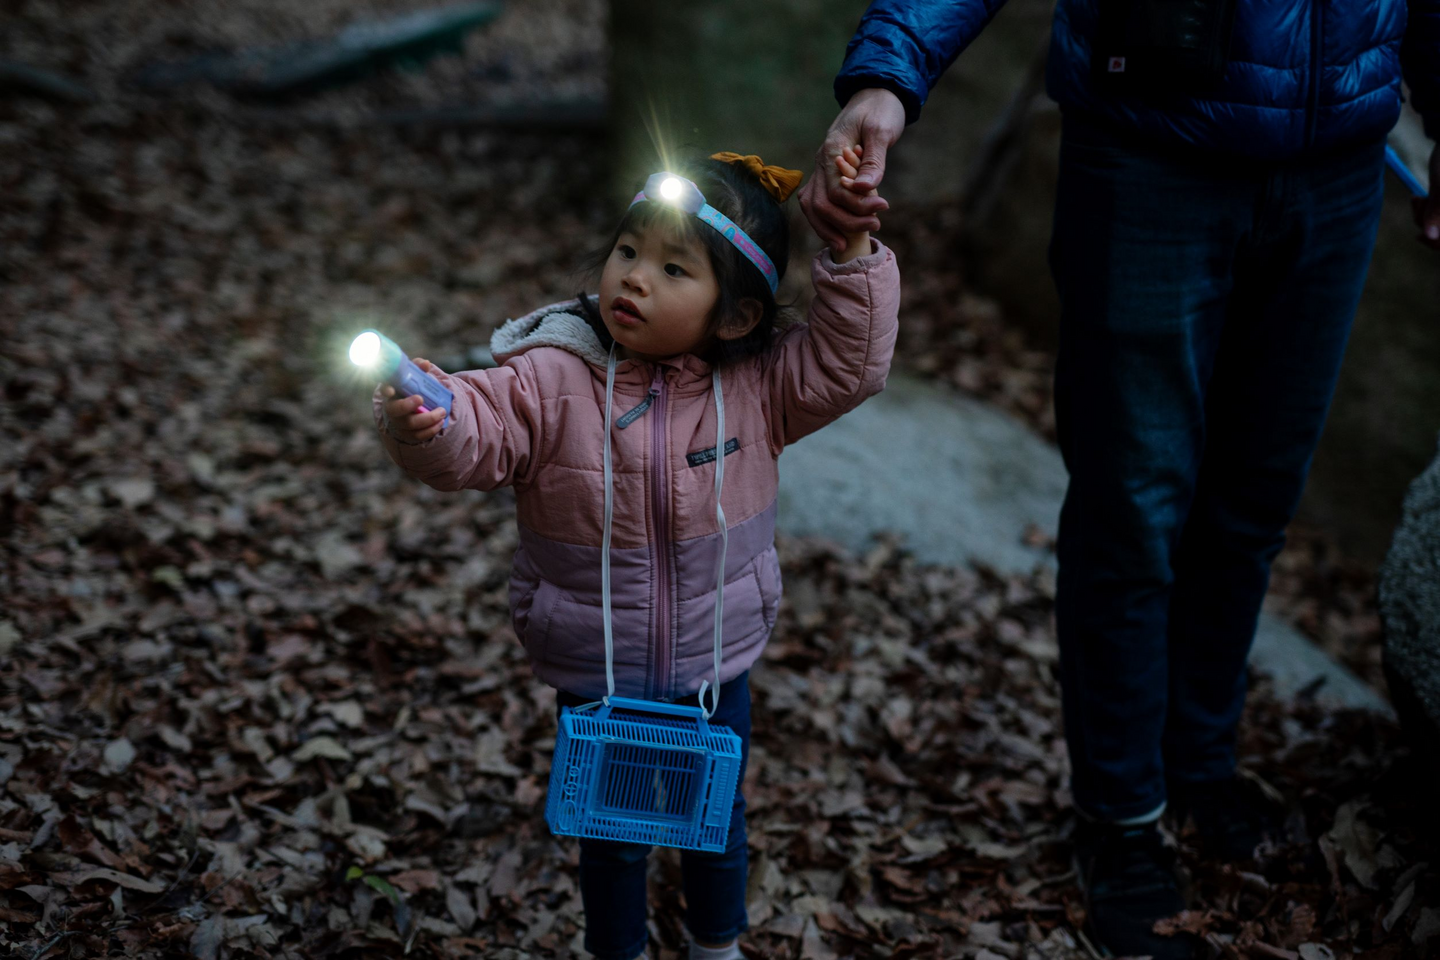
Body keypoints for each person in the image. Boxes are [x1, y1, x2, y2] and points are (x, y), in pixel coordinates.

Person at [800, 2, 1440, 958]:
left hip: (1336, 170)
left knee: (1255, 501)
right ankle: (1121, 819)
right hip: (1150, 156)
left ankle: (1200, 766)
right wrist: (890, 73)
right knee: (1133, 508)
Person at [372, 149, 900, 960]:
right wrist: (431, 427)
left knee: (714, 821)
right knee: (613, 836)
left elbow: (850, 360)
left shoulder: (759, 388)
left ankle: (715, 944)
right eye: (628, 251)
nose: (635, 278)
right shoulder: (555, 375)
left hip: (714, 661)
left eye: (673, 267)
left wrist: (852, 255)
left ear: (734, 317)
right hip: (599, 668)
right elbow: (480, 426)